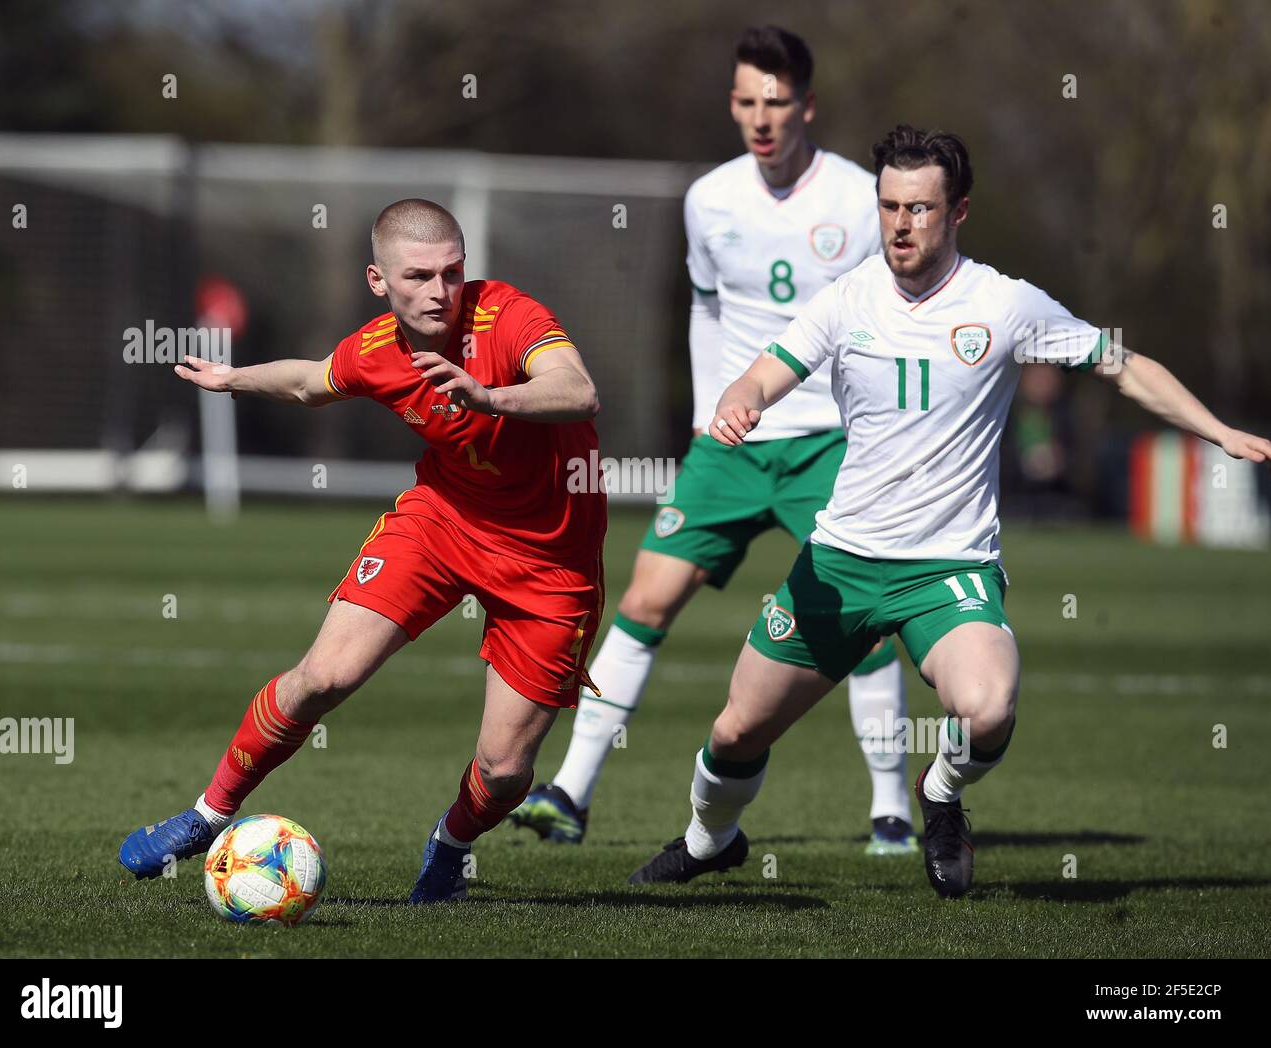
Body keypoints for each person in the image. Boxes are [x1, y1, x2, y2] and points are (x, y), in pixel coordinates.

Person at [628, 125, 1271, 897]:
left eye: (921, 208)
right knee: (735, 730)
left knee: (988, 706)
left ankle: (938, 796)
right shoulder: (846, 297)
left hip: (948, 568)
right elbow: (767, 372)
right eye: (889, 205)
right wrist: (739, 401)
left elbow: (1123, 367)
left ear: (958, 211)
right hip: (839, 563)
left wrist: (1219, 430)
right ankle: (710, 839)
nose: (901, 224)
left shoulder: (1005, 305)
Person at [119, 198, 607, 904]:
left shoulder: (507, 315)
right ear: (379, 281)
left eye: (452, 272)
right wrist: (232, 380)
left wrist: (491, 397)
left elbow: (577, 390)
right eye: (417, 276)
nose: (440, 291)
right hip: (441, 525)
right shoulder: (377, 350)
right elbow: (310, 381)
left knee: (503, 771)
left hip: (550, 562)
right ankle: (206, 816)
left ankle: (451, 845)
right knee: (323, 676)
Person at [512, 26, 916, 856]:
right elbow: (705, 307)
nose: (760, 118)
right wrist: (707, 413)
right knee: (644, 600)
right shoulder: (710, 198)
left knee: (865, 621)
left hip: (830, 445)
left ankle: (891, 812)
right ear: (731, 105)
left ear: (807, 105)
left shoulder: (856, 197)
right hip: (729, 446)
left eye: (775, 102)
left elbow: (894, 316)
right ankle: (569, 795)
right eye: (745, 102)